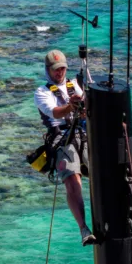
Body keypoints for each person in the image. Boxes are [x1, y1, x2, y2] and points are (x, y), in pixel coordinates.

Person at [34, 49, 96, 246]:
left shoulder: (76, 85)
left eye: (62, 69)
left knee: (105, 171)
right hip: (61, 139)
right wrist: (71, 106)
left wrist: (84, 107)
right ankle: (84, 229)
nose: (59, 73)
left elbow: (85, 110)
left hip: (82, 134)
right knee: (72, 181)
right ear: (48, 70)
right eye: (55, 70)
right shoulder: (42, 92)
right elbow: (56, 112)